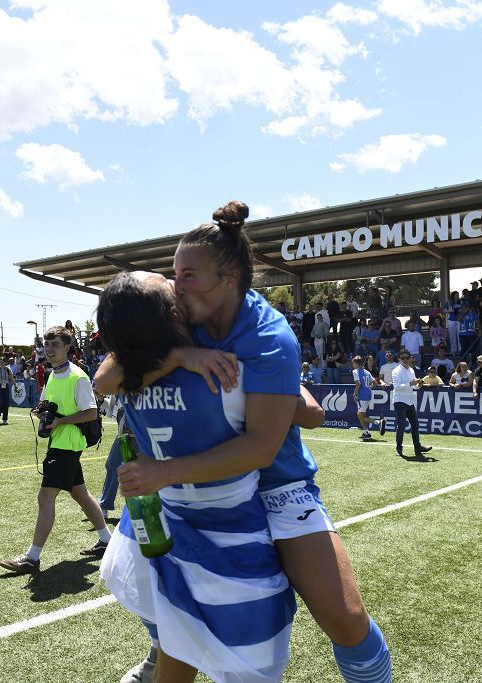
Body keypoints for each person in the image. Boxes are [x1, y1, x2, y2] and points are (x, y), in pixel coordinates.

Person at [96, 202, 392, 683]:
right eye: (174, 272)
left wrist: (168, 468)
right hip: (199, 492)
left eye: (188, 274)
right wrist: (181, 355)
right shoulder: (180, 315)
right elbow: (109, 375)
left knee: (345, 618)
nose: (175, 284)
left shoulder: (269, 337)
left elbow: (262, 448)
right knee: (169, 598)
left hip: (276, 482)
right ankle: (163, 646)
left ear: (229, 277)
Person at [97, 271, 328, 682]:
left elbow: (104, 379)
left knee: (171, 620)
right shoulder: (225, 364)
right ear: (170, 314)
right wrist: (274, 377)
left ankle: (157, 645)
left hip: (161, 522)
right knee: (244, 655)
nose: (174, 279)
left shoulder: (134, 372)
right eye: (165, 281)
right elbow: (311, 414)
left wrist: (172, 357)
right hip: (230, 537)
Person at [0, 326, 112, 574]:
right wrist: (43, 411)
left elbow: (91, 412)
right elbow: (51, 403)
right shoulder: (53, 374)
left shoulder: (78, 376)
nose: (49, 350)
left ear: (67, 348)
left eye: (55, 345)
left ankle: (32, 557)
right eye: (47, 345)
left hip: (67, 444)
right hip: (60, 441)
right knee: (80, 493)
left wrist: (60, 421)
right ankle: (107, 540)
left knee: (45, 496)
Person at [390, 353, 433, 459]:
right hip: (399, 401)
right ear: (399, 359)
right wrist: (411, 383)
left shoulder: (411, 370)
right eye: (402, 358)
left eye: (407, 358)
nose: (405, 360)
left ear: (410, 359)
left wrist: (419, 384)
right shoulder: (396, 371)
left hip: (409, 401)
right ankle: (398, 449)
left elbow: (414, 386)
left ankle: (417, 447)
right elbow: (397, 387)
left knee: (415, 424)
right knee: (401, 426)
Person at [353, 356, 384, 442]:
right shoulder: (367, 372)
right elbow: (375, 383)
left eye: (353, 363)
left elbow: (358, 383)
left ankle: (378, 422)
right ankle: (366, 433)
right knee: (361, 415)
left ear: (356, 363)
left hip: (362, 395)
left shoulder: (355, 371)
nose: (353, 365)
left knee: (360, 415)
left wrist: (355, 393)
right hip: (368, 394)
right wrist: (368, 388)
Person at [0, 357, 15, 426]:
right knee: (0, 402)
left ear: (5, 362)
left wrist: (15, 386)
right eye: (0, 362)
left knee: (6, 403)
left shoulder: (8, 369)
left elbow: (12, 378)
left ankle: (5, 419)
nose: (1, 363)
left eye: (2, 362)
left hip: (6, 386)